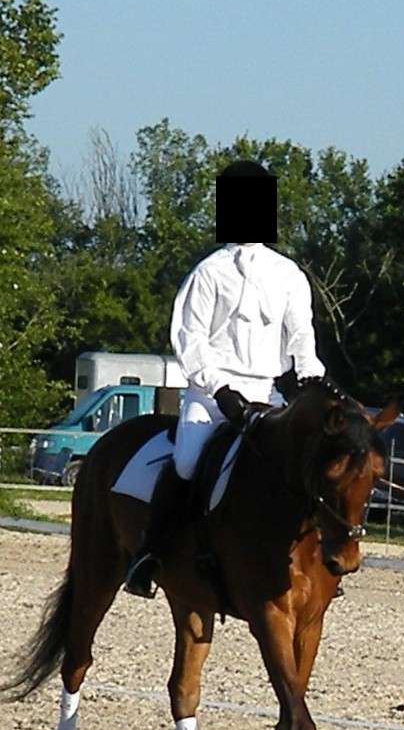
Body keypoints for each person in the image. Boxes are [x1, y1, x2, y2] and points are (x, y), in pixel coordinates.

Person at [124, 160, 325, 598]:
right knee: (187, 461)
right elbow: (189, 339)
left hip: (266, 391)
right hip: (211, 396)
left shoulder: (288, 275)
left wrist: (310, 376)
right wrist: (218, 388)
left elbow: (301, 332)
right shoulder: (209, 272)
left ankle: (310, 555)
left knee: (299, 463)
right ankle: (151, 551)